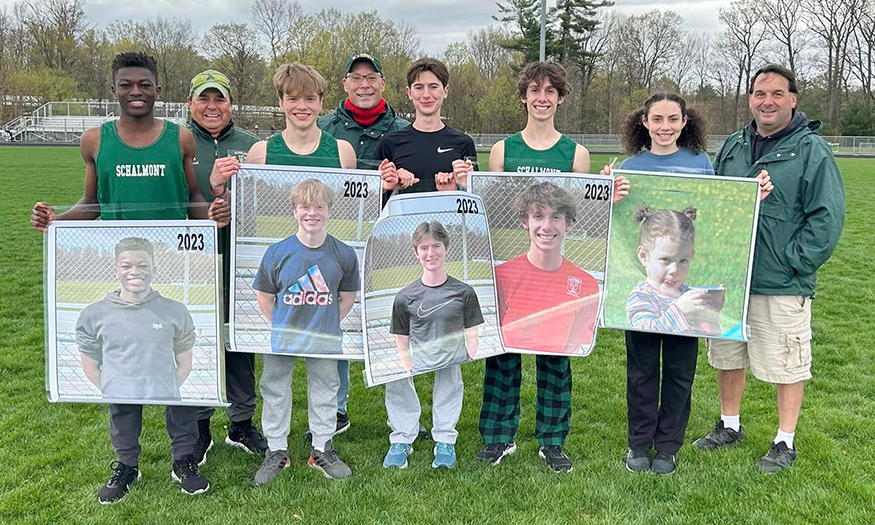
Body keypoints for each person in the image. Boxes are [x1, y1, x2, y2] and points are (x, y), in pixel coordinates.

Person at [31, 51, 224, 503]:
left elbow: (193, 199)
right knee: (122, 369)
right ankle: (126, 464)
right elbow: (91, 203)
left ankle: (184, 458)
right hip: (123, 267)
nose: (135, 92)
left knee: (173, 365)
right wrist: (56, 219)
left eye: (144, 85)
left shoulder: (180, 139)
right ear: (114, 89)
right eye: (126, 85)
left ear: (158, 90)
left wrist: (213, 213)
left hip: (174, 268)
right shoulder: (95, 140)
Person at [208, 63, 358, 484]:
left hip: (325, 285)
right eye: (293, 98)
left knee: (325, 378)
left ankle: (322, 447)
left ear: (321, 103)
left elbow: (348, 216)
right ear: (281, 103)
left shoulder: (341, 151)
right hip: (282, 281)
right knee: (275, 378)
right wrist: (220, 189)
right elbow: (246, 223)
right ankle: (276, 450)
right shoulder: (261, 153)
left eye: (310, 98)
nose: (302, 106)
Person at [693, 64, 844, 473]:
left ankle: (784, 440)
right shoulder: (735, 146)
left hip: (780, 279)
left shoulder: (811, 150)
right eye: (760, 94)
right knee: (727, 354)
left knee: (786, 360)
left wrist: (793, 261)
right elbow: (714, 201)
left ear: (793, 99)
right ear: (750, 100)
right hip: (731, 276)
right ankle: (729, 424)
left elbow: (826, 220)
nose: (768, 102)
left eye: (777, 94)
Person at [186, 69, 267, 462]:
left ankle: (241, 422)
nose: (212, 106)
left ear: (231, 104)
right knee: (200, 341)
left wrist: (238, 208)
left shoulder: (251, 145)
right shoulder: (179, 143)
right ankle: (200, 425)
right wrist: (206, 205)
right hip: (194, 262)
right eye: (204, 99)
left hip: (240, 262)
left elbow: (267, 201)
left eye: (220, 99)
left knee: (240, 343)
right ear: (191, 104)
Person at [384, 221, 484, 470]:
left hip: (447, 351)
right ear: (415, 252)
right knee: (395, 375)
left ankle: (444, 439)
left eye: (436, 246)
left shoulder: (464, 292)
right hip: (418, 349)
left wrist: (471, 351)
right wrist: (405, 363)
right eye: (424, 248)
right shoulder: (405, 297)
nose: (431, 253)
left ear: (446, 248)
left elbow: (473, 330)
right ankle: (402, 438)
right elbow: (401, 336)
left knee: (451, 377)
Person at [77, 238, 195, 402]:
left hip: (167, 398)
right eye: (126, 266)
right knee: (125, 429)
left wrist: (167, 389)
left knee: (181, 427)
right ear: (116, 271)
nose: (135, 271)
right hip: (119, 399)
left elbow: (185, 364)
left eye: (142, 266)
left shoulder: (176, 311)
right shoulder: (93, 314)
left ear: (154, 270)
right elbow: (90, 366)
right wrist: (112, 389)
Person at [377, 57, 477, 200]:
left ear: (445, 91)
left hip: (447, 222)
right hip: (403, 222)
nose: (426, 95)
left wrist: (459, 188)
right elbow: (371, 205)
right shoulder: (389, 143)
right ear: (409, 92)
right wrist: (386, 185)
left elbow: (474, 204)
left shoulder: (463, 143)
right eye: (418, 87)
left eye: (433, 86)